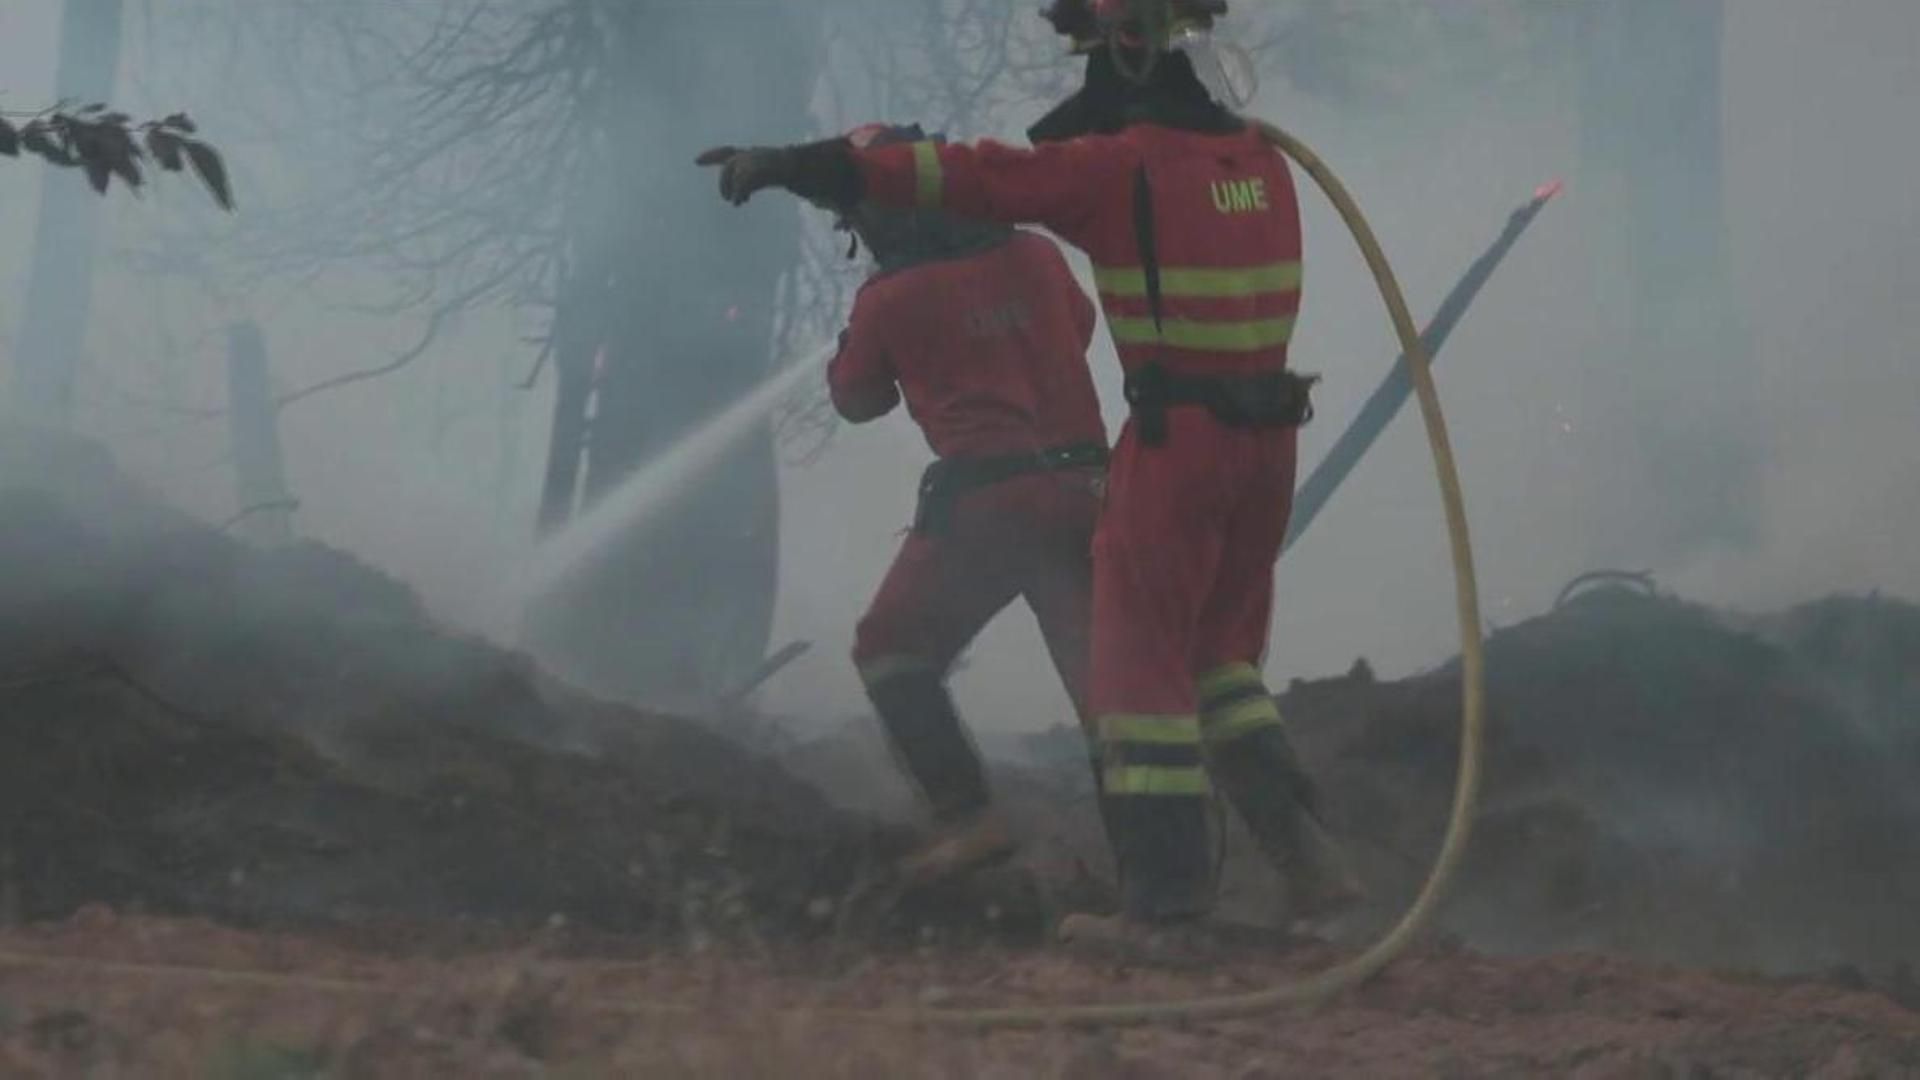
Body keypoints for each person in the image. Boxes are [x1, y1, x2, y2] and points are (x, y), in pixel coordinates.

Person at [699, 0, 1363, 943]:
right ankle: (1310, 859)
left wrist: (809, 168)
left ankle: (1159, 910)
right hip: (1262, 449)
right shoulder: (1260, 163)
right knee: (1216, 664)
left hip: (1163, 455)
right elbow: (1084, 317)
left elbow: (965, 180)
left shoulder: (1109, 167)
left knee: (1129, 680)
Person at [824, 124, 1110, 887]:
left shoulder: (888, 298)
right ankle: (1162, 885)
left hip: (989, 508)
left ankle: (968, 820)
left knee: (890, 647)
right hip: (1089, 494)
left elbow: (855, 399)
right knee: (1108, 699)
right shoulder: (1038, 256)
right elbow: (1076, 333)